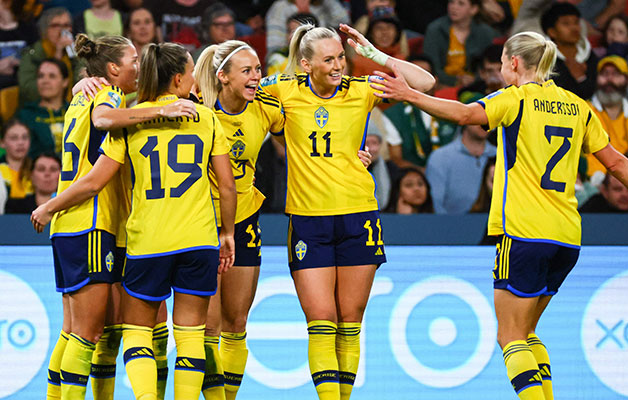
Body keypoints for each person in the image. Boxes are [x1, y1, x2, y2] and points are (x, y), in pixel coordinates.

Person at [370, 30, 628, 400]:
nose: (499, 70)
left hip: (525, 232)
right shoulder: (578, 106)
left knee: (509, 336)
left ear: (513, 63)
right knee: (526, 334)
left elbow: (464, 114)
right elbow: (617, 162)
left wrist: (409, 94)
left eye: (501, 63)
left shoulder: (515, 99)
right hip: (567, 237)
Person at [31, 41, 236, 400]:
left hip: (128, 235)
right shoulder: (125, 104)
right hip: (117, 225)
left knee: (103, 331)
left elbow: (97, 164)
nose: (139, 67)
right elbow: (227, 185)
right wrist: (227, 231)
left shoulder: (101, 104)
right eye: (132, 60)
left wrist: (51, 206)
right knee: (101, 333)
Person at [259, 22, 434, 400]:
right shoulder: (282, 89)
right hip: (308, 218)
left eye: (341, 57)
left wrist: (375, 55)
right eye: (329, 59)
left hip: (359, 215)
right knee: (321, 322)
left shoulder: (361, 89)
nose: (339, 65)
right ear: (306, 64)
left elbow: (425, 84)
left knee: (350, 321)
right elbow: (238, 91)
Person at [194, 39, 284, 399]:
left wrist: (349, 153)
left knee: (237, 323)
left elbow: (308, 133)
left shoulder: (264, 108)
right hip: (201, 222)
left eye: (258, 69)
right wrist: (83, 83)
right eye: (247, 71)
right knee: (206, 327)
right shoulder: (196, 105)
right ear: (223, 77)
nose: (256, 77)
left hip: (244, 219)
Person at [423, 0, 499, 88]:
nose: (454, 7)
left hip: (475, 84)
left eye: (461, 3)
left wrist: (474, 79)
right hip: (442, 84)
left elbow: (488, 65)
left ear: (473, 9)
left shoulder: (485, 32)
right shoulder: (435, 30)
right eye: (451, 2)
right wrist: (456, 80)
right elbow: (431, 66)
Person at [426, 121, 497, 214]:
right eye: (478, 118)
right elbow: (435, 205)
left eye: (489, 118)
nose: (484, 123)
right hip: (449, 225)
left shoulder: (503, 156)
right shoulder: (440, 157)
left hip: (497, 224)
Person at [17, 7, 82, 105]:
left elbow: (81, 78)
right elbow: (28, 89)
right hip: (37, 108)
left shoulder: (75, 54)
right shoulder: (32, 54)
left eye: (66, 25)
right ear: (44, 29)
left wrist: (76, 56)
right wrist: (58, 53)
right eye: (56, 25)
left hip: (70, 107)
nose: (62, 30)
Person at [541, 2, 598, 100]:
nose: (574, 28)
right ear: (551, 32)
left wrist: (581, 78)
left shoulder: (591, 57)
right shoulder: (543, 58)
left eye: (576, 22)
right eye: (566, 23)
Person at [16, 58, 70, 159]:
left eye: (52, 76)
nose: (45, 81)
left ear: (65, 82)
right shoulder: (26, 115)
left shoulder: (74, 111)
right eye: (41, 76)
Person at [265, 0, 349, 55]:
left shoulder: (322, 5)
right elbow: (274, 48)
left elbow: (343, 19)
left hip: (319, 53)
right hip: (288, 58)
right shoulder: (280, 7)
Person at [349, 7, 407, 78]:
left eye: (389, 27)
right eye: (379, 28)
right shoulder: (359, 63)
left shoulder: (405, 61)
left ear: (397, 33)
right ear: (371, 34)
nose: (384, 32)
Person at [0, 118, 32, 200]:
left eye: (25, 137)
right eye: (14, 138)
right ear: (2, 143)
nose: (20, 143)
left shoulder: (37, 168)